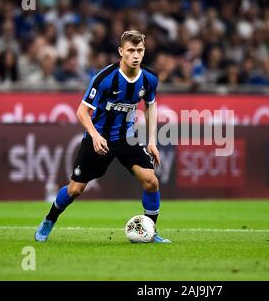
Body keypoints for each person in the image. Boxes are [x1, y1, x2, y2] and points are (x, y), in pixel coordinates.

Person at [35, 30, 171, 243]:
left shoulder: (150, 78)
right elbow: (81, 111)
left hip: (127, 137)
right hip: (99, 137)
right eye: (131, 50)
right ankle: (49, 220)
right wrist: (95, 136)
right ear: (121, 51)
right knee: (75, 188)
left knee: (151, 181)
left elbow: (150, 107)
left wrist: (152, 140)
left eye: (140, 51)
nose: (136, 55)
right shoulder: (104, 78)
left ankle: (150, 231)